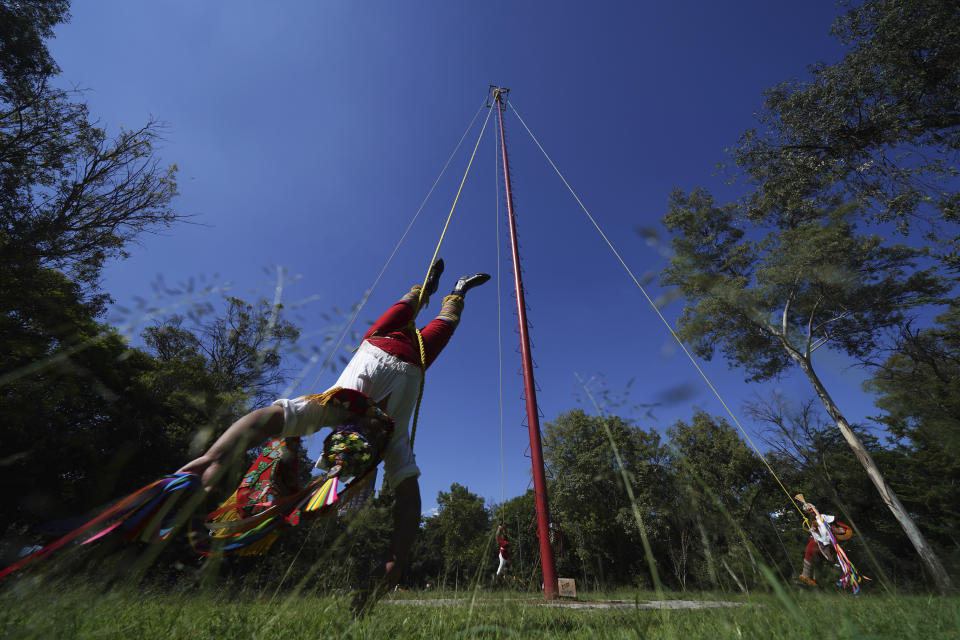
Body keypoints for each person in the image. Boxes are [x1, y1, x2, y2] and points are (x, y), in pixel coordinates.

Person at [177, 259, 490, 610]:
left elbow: (267, 418)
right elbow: (409, 501)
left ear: (344, 432)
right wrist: (395, 558)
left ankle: (424, 289)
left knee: (406, 306)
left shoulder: (334, 407)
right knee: (446, 324)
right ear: (373, 453)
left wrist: (215, 456)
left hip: (380, 339)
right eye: (371, 442)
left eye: (360, 434)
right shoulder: (394, 439)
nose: (371, 432)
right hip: (418, 358)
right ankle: (458, 290)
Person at [795, 495, 852, 588]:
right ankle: (807, 577)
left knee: (835, 562)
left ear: (815, 510)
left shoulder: (823, 518)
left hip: (829, 543)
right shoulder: (814, 522)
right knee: (811, 552)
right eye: (808, 512)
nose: (810, 513)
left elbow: (829, 530)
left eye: (811, 510)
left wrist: (836, 530)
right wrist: (814, 529)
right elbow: (817, 534)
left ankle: (845, 579)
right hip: (821, 544)